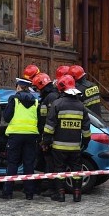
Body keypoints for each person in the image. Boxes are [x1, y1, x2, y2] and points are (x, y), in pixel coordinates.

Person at [42, 74, 91, 202]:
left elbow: (49, 126)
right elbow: (86, 129)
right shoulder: (81, 106)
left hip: (58, 146)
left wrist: (46, 141)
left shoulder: (57, 104)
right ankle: (77, 195)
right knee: (76, 170)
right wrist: (85, 142)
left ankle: (61, 195)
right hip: (75, 146)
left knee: (59, 170)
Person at [0, 77, 40, 200]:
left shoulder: (14, 99)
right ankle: (29, 193)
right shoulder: (36, 101)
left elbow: (6, 117)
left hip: (15, 135)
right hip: (31, 135)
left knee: (12, 163)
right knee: (29, 164)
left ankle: (8, 192)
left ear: (18, 87)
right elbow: (38, 118)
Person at [32, 72, 59, 197]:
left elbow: (49, 120)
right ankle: (41, 186)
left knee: (50, 163)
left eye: (37, 88)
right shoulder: (48, 97)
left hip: (49, 136)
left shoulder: (51, 97)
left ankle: (52, 188)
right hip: (44, 135)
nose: (37, 90)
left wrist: (46, 139)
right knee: (43, 162)